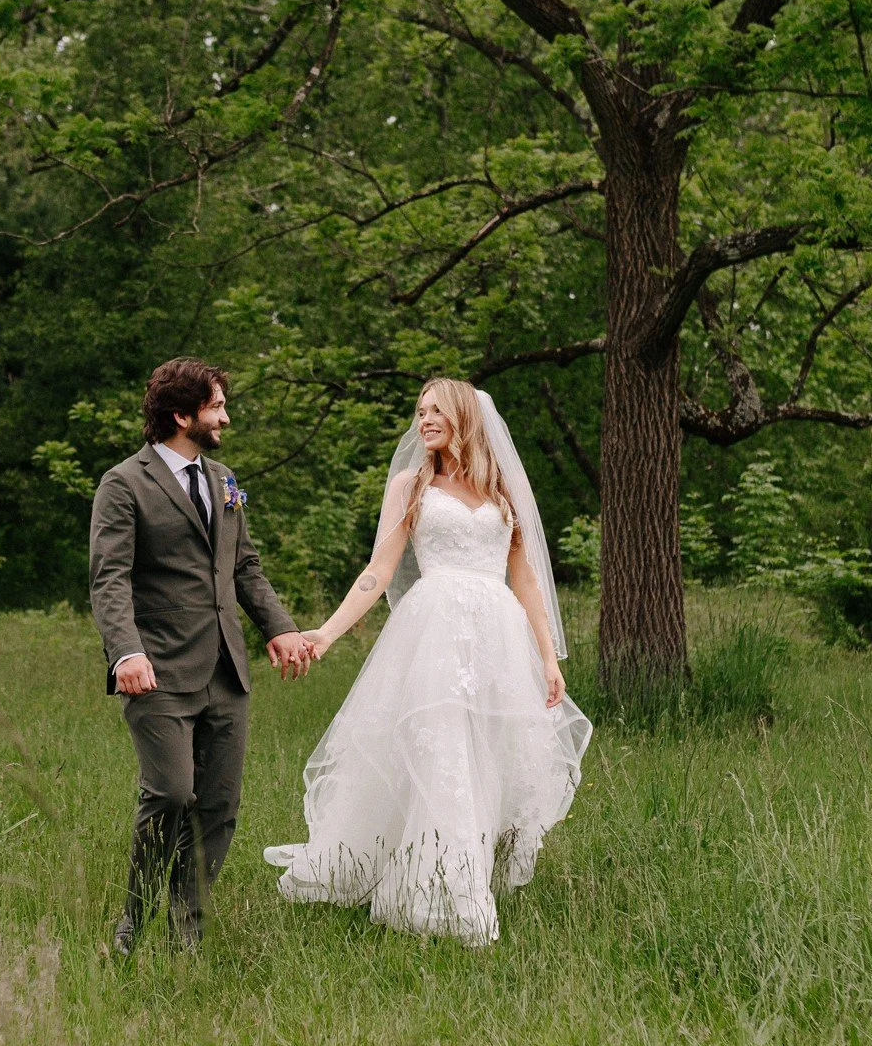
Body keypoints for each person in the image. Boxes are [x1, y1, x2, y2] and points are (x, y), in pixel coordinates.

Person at [264, 378, 593, 946]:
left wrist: (547, 656)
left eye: (436, 410)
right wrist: (328, 632)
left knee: (489, 754)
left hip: (497, 638)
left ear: (464, 415)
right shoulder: (411, 485)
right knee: (443, 752)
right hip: (433, 633)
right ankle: (444, 898)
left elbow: (525, 579)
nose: (425, 421)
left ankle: (466, 873)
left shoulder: (502, 488)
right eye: (420, 412)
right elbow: (379, 571)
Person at [88, 358, 313, 955]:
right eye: (216, 407)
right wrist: (125, 653)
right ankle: (132, 925)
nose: (226, 417)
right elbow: (109, 578)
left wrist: (279, 628)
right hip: (156, 670)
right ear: (181, 415)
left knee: (217, 806)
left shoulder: (224, 480)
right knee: (170, 794)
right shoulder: (123, 484)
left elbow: (244, 566)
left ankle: (185, 934)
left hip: (226, 670)